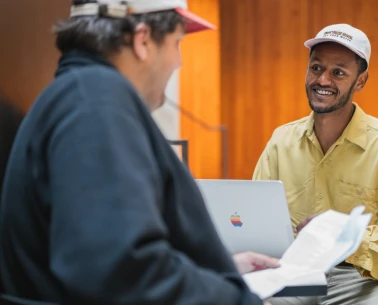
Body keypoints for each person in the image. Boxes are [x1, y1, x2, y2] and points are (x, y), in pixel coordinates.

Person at [0, 1, 278, 304]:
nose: (179, 61)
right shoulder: (96, 104)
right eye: (177, 43)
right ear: (143, 40)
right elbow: (121, 271)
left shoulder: (78, 94)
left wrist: (212, 271)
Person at [253, 24, 378, 305]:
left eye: (338, 72)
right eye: (316, 68)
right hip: (292, 273)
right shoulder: (281, 141)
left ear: (360, 81)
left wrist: (347, 239)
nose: (323, 80)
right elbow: (256, 221)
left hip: (362, 280)